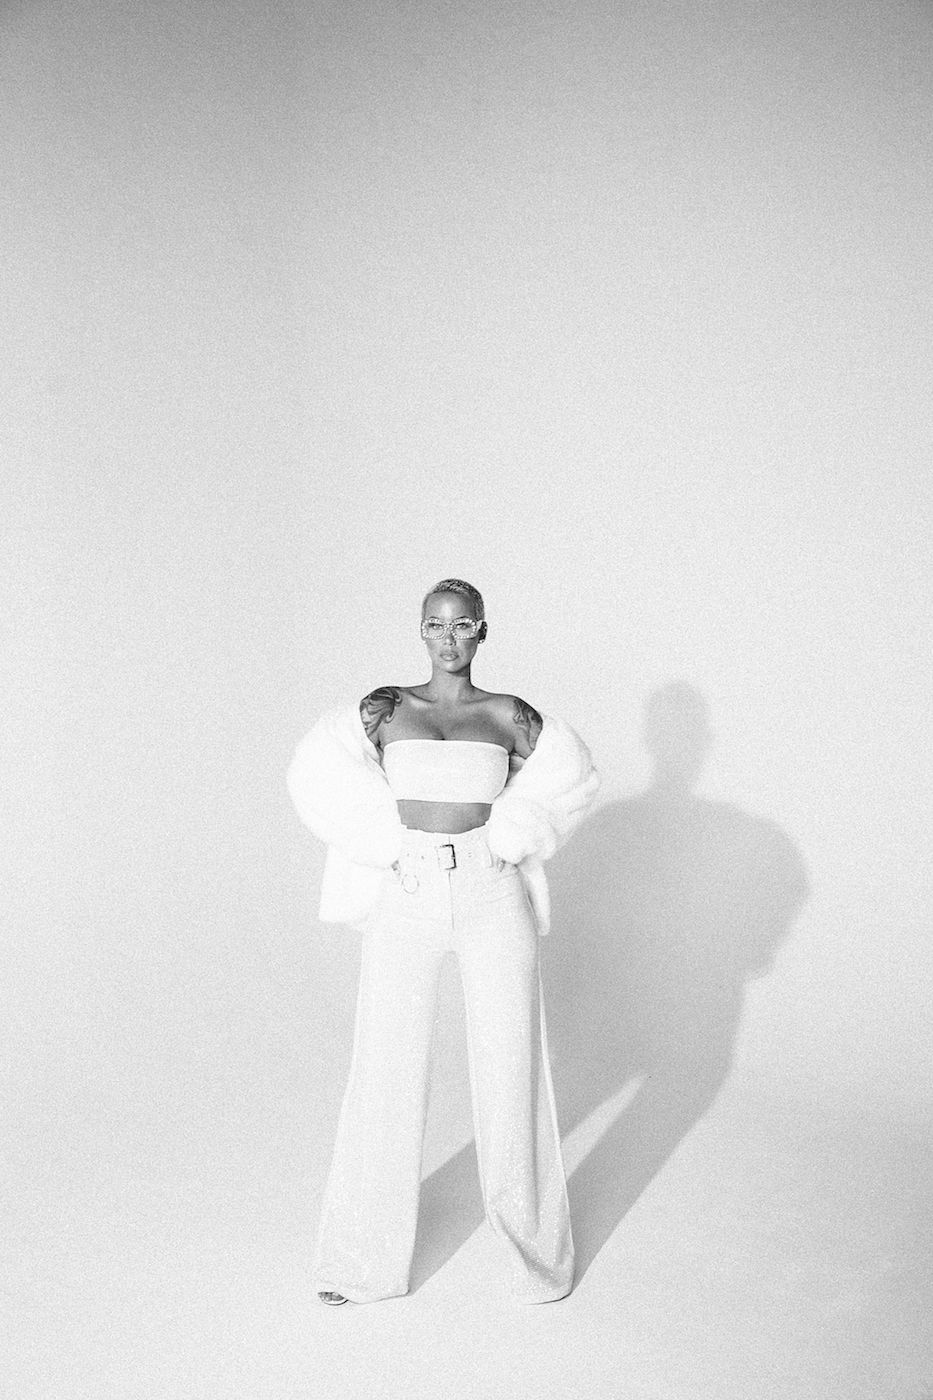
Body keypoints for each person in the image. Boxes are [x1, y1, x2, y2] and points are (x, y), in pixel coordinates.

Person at [286, 579, 599, 1304]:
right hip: (409, 890)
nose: (448, 638)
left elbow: (573, 777)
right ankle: (362, 1262)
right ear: (421, 630)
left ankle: (535, 1261)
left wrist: (511, 834)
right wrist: (383, 841)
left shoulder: (507, 714)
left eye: (462, 626)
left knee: (512, 1070)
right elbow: (313, 772)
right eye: (435, 624)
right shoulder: (388, 708)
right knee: (384, 1071)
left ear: (482, 631)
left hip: (491, 892)